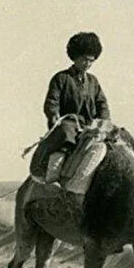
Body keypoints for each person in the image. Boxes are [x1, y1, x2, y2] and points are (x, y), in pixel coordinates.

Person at [29, 32, 110, 182]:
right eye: (84, 59)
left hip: (90, 126)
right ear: (75, 57)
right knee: (66, 132)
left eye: (91, 61)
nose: (87, 64)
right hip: (69, 125)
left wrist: (103, 121)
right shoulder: (61, 79)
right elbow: (51, 103)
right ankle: (53, 178)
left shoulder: (93, 82)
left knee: (119, 136)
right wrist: (55, 119)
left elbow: (102, 104)